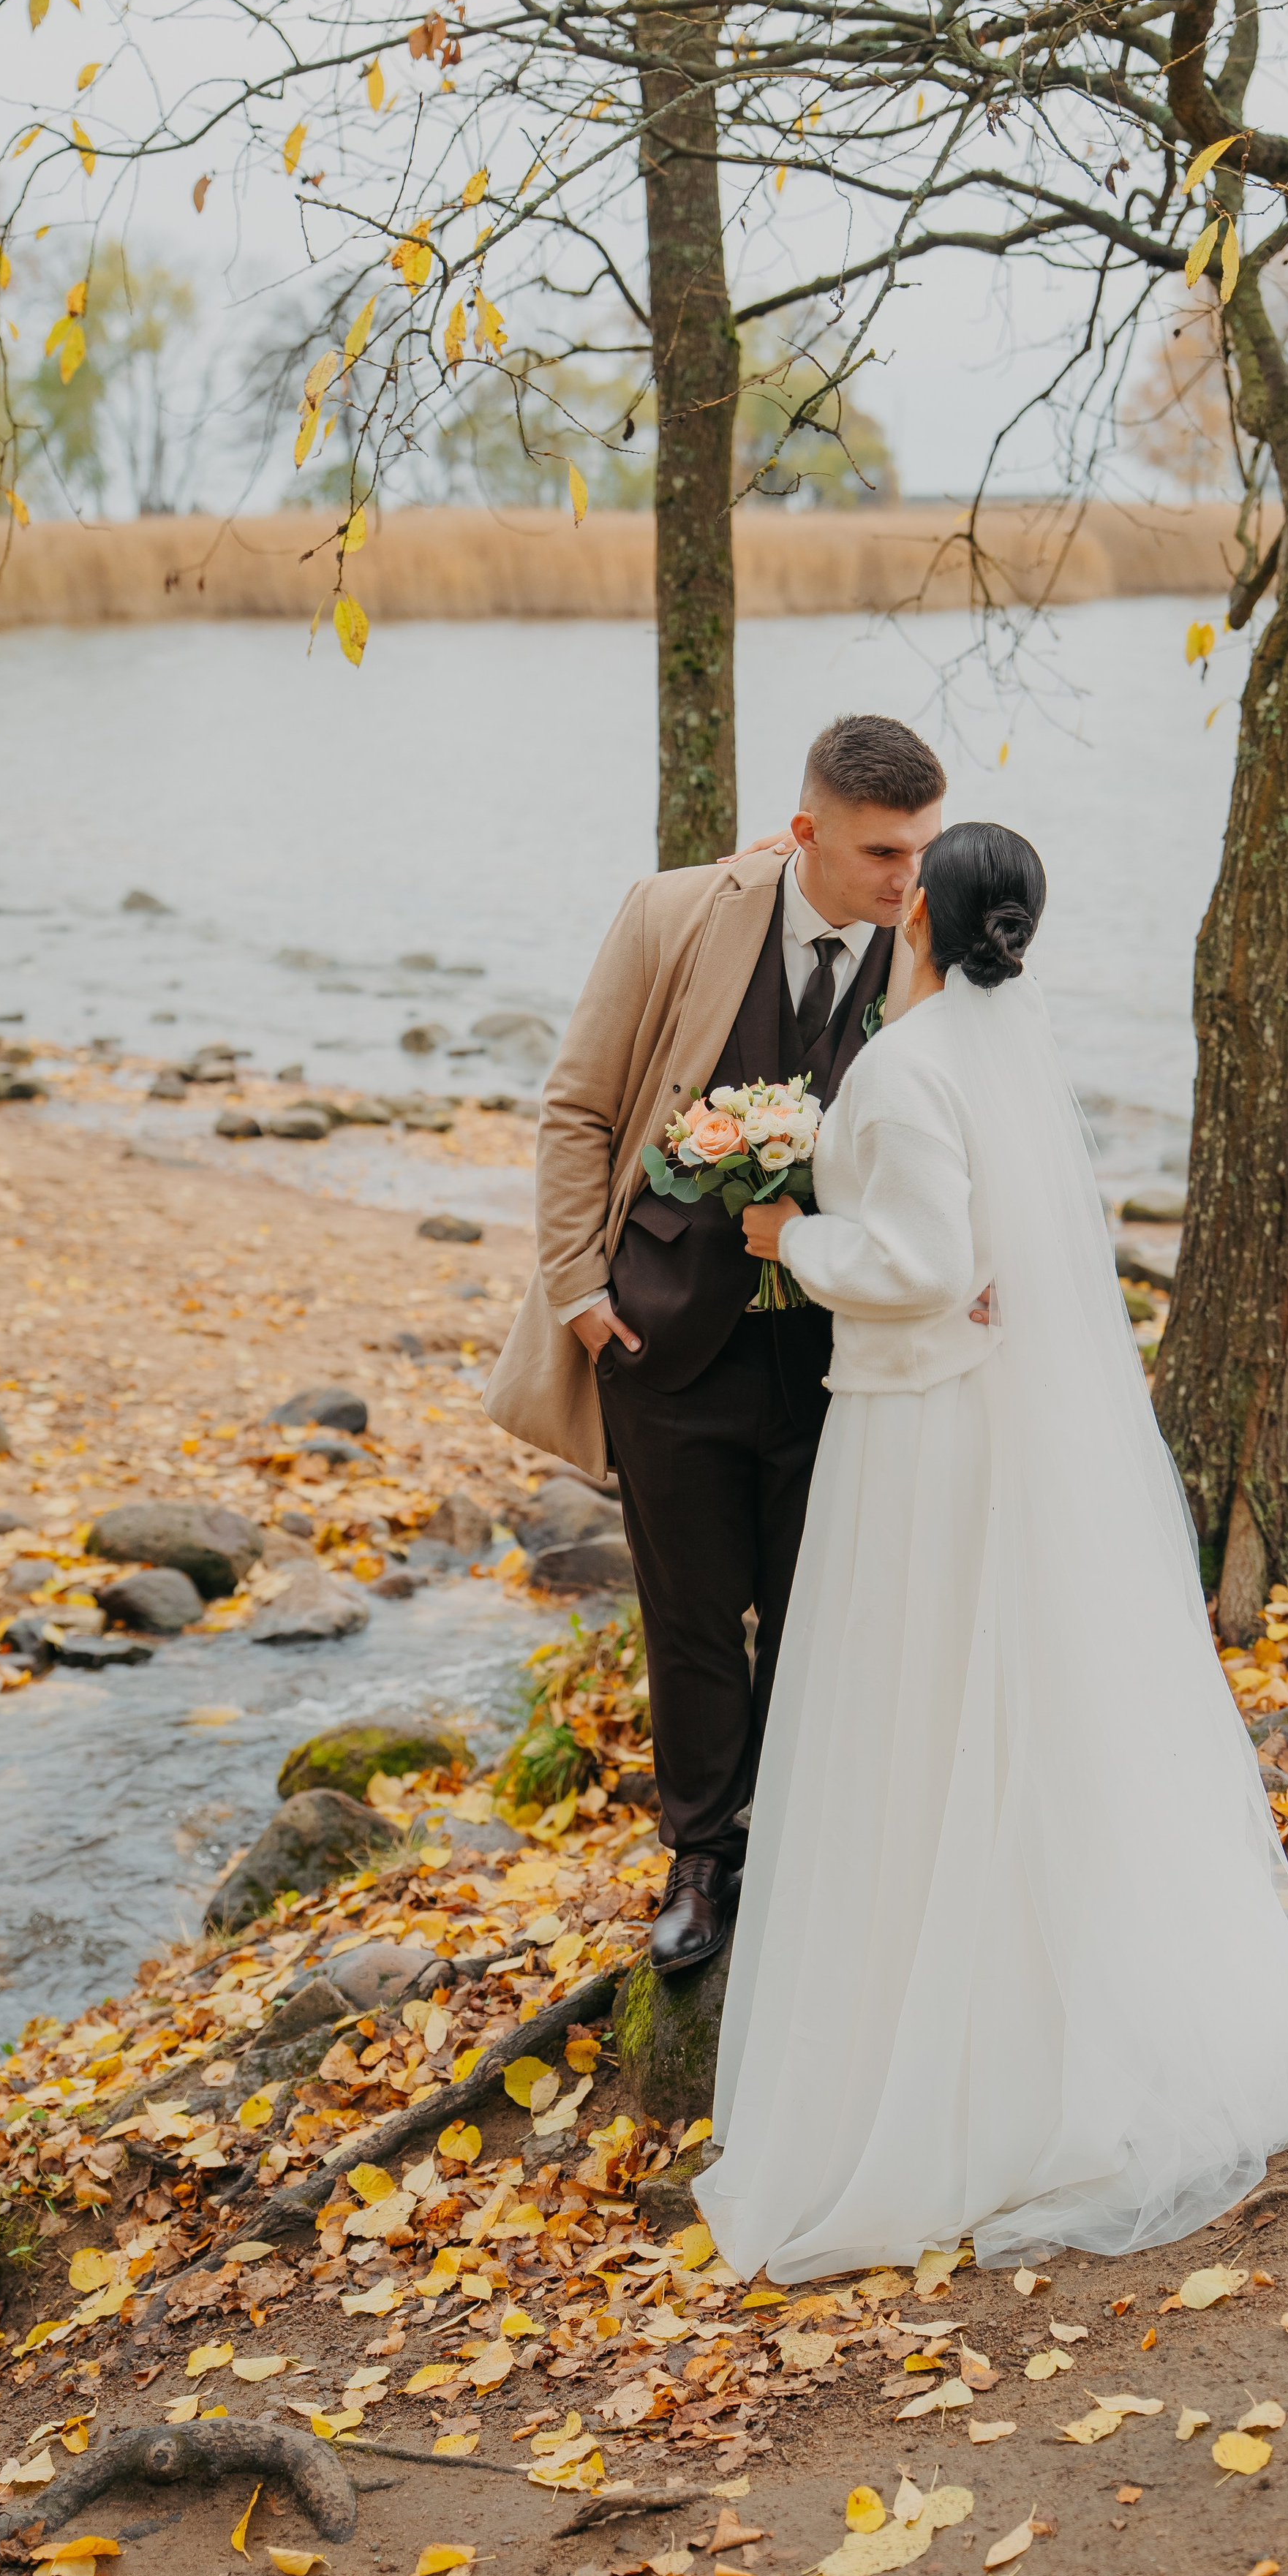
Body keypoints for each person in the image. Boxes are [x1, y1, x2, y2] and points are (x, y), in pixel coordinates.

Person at [691, 822, 1288, 2279]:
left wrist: (787, 1243)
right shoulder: (1003, 1049)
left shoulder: (904, 1062)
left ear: (923, 924)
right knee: (996, 1703)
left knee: (913, 1699)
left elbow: (927, 1264)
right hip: (981, 1408)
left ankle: (936, 2072)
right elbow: (995, 1250)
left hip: (918, 1427)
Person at [483, 714, 951, 1975]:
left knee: (818, 1612)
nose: (908, 882)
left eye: (920, 850)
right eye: (879, 855)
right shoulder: (673, 915)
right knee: (689, 1616)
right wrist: (582, 1295)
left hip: (840, 1358)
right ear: (805, 834)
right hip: (664, 1341)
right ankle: (700, 1852)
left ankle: (797, 1843)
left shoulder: (931, 953)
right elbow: (578, 1107)